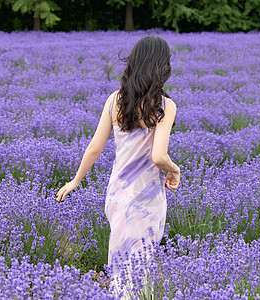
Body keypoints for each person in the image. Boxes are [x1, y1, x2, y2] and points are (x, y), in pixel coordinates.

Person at [55, 36, 180, 299]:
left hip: (118, 195)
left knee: (120, 267)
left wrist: (75, 181)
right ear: (162, 67)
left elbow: (94, 148)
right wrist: (174, 169)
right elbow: (159, 156)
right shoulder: (165, 107)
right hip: (146, 198)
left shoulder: (115, 101)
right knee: (139, 271)